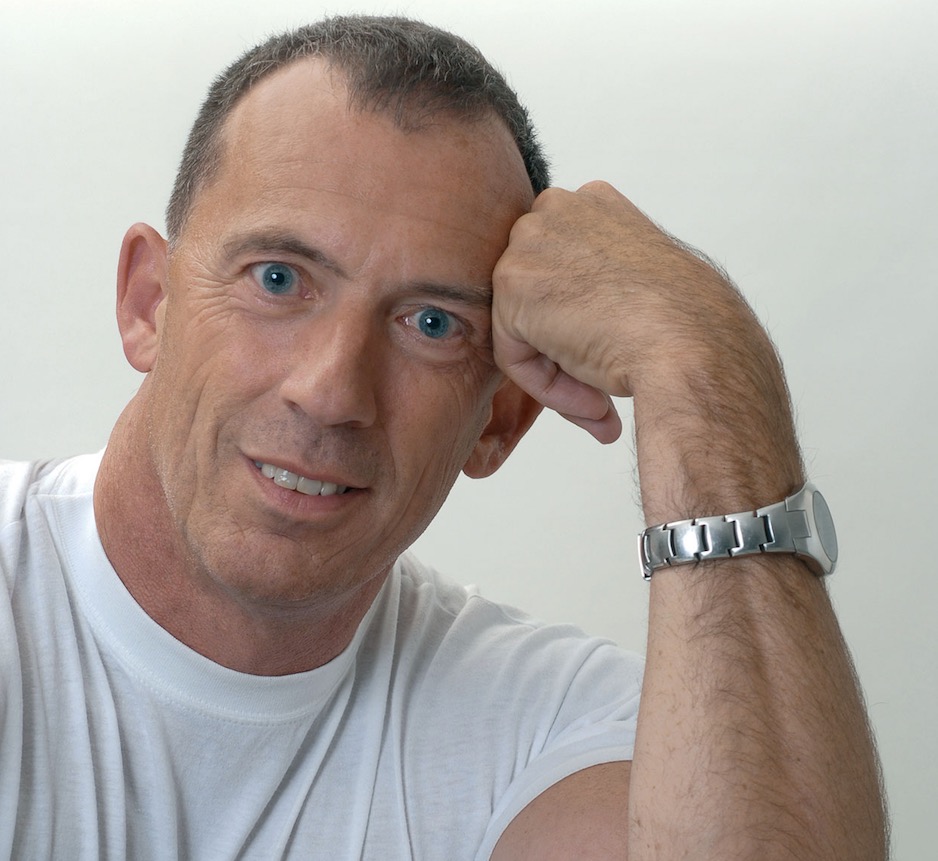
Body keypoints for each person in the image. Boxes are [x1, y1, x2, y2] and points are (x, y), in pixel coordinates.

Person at [0, 15, 886, 860]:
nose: (331, 392)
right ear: (148, 302)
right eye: (278, 278)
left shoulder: (550, 730)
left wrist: (703, 364)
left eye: (430, 323)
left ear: (499, 420)